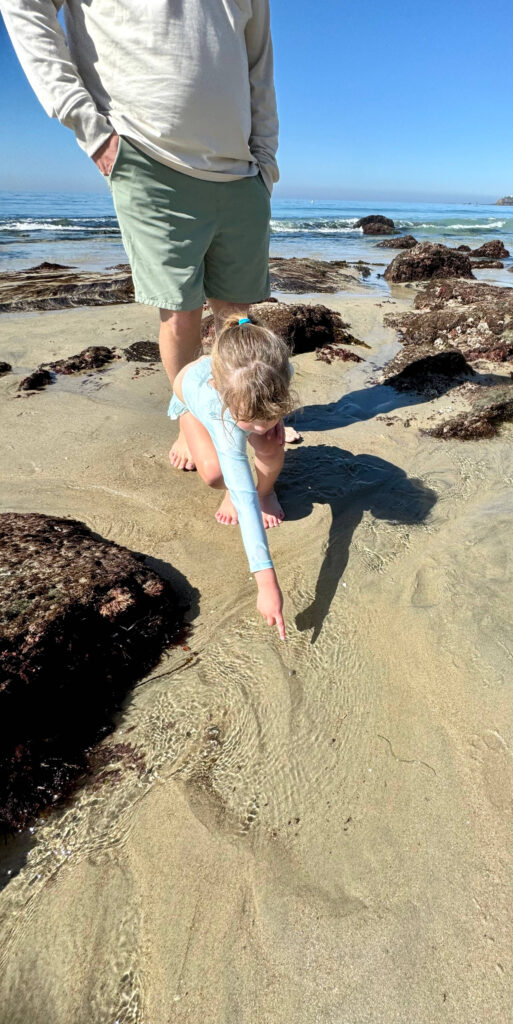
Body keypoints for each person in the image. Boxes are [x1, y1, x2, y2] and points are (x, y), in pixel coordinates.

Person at [0, 0, 283, 469]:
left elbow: (258, 64)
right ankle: (191, 418)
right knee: (179, 313)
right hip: (147, 155)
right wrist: (89, 127)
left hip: (241, 170)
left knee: (237, 313)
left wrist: (265, 162)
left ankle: (242, 414)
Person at [170, 314, 295, 639]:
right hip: (191, 400)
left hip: (242, 394)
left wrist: (272, 418)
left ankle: (266, 489)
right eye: (254, 420)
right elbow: (249, 516)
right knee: (213, 474)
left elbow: (262, 411)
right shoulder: (217, 408)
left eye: (270, 413)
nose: (261, 427)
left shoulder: (277, 370)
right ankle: (186, 428)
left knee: (270, 443)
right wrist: (267, 585)